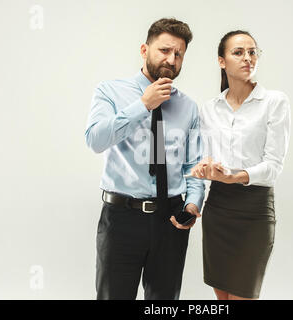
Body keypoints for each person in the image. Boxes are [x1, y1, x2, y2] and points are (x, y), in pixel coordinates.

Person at [85, 17, 205, 300]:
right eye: (164, 50)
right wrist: (143, 105)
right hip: (122, 218)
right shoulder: (110, 92)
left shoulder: (188, 107)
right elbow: (95, 140)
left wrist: (192, 203)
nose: (171, 59)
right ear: (144, 50)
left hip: (171, 220)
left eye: (178, 54)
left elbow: (193, 164)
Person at [191, 30, 291, 300]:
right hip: (218, 209)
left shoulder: (274, 102)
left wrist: (239, 176)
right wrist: (205, 168)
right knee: (221, 299)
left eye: (252, 52)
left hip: (254, 211)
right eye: (238, 52)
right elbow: (206, 157)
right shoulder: (208, 109)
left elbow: (274, 166)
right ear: (221, 61)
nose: (248, 58)